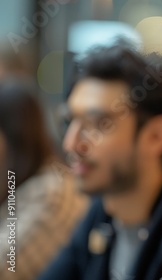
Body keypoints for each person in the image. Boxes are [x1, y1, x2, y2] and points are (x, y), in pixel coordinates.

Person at [39, 44, 162, 280]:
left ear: (156, 136)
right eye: (69, 121)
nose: (71, 144)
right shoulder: (102, 211)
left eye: (99, 124)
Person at [0, 78, 88, 280]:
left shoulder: (52, 190)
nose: (71, 144)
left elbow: (6, 266)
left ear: (12, 136)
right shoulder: (21, 182)